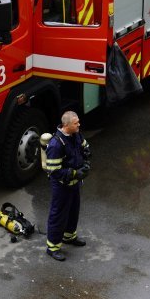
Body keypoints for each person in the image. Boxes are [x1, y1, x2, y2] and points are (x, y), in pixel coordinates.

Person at [44, 110, 90, 262]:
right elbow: (54, 171)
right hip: (62, 186)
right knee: (58, 215)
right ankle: (53, 247)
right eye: (76, 123)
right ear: (66, 125)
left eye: (78, 122)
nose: (79, 125)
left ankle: (69, 236)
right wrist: (76, 173)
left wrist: (86, 159)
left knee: (73, 210)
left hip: (74, 184)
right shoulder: (56, 144)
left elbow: (84, 146)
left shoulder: (75, 135)